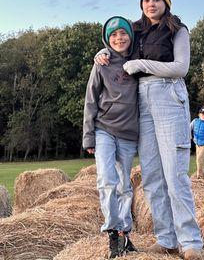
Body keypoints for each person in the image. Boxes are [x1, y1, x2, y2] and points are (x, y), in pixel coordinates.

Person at [95, 0, 204, 260]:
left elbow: (180, 67)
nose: (151, 3)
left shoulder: (177, 29)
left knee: (174, 174)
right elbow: (116, 44)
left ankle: (191, 242)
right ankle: (166, 239)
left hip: (169, 95)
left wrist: (143, 63)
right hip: (141, 101)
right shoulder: (135, 30)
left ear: (166, 2)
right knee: (153, 176)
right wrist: (102, 53)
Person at [82, 16, 139, 259]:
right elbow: (90, 99)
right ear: (107, 38)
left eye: (123, 33)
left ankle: (126, 231)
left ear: (130, 36)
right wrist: (88, 137)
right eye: (113, 35)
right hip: (104, 128)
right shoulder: (101, 63)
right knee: (106, 180)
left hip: (129, 133)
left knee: (125, 185)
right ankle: (112, 231)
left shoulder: (139, 62)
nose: (119, 38)